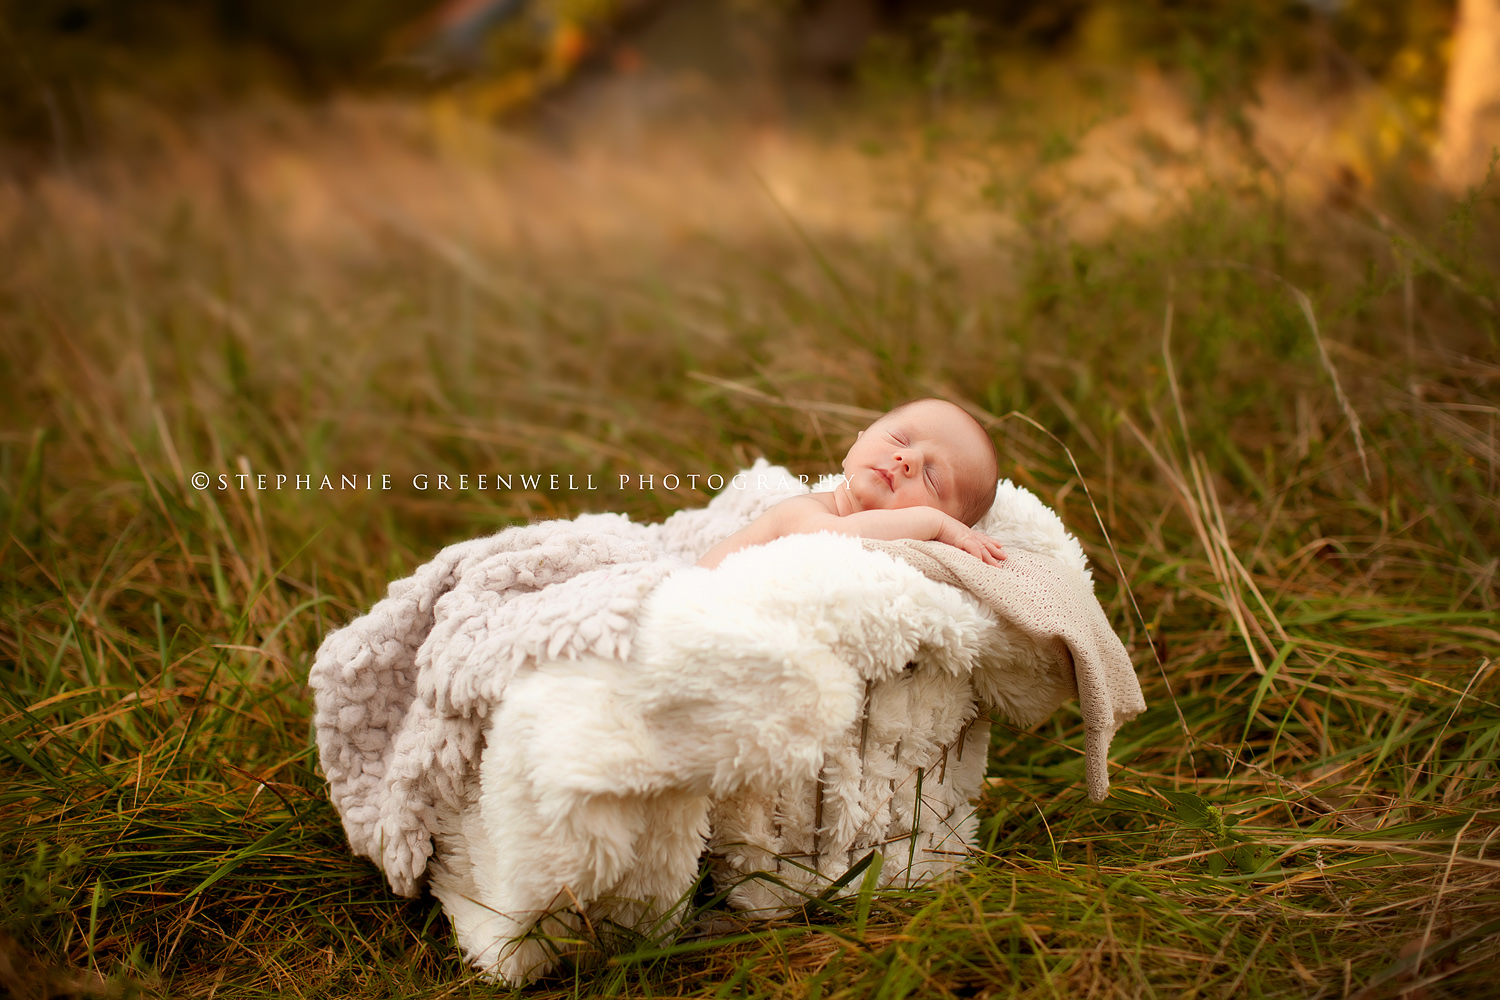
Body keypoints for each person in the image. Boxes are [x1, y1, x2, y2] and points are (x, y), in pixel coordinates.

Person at [697, 398, 1006, 569]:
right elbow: (828, 539)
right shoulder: (803, 510)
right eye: (899, 439)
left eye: (932, 477)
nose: (908, 458)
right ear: (856, 444)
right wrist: (933, 521)